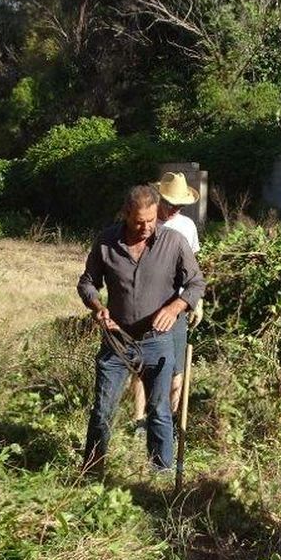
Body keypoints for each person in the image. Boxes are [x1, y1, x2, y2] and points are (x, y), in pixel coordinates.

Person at [78, 184, 206, 476]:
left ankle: (160, 473)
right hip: (117, 342)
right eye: (139, 221)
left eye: (151, 220)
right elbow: (86, 283)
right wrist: (98, 308)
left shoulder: (173, 243)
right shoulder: (106, 242)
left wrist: (175, 308)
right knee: (103, 410)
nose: (146, 227)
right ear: (125, 214)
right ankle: (92, 471)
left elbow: (197, 283)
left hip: (157, 341)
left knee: (159, 410)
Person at [129, 172, 203, 429]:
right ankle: (139, 420)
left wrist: (196, 303)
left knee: (176, 367)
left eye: (179, 205)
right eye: (170, 204)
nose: (174, 210)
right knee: (141, 367)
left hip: (178, 307)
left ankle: (169, 420)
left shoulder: (187, 227)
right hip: (146, 308)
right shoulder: (143, 224)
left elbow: (195, 271)